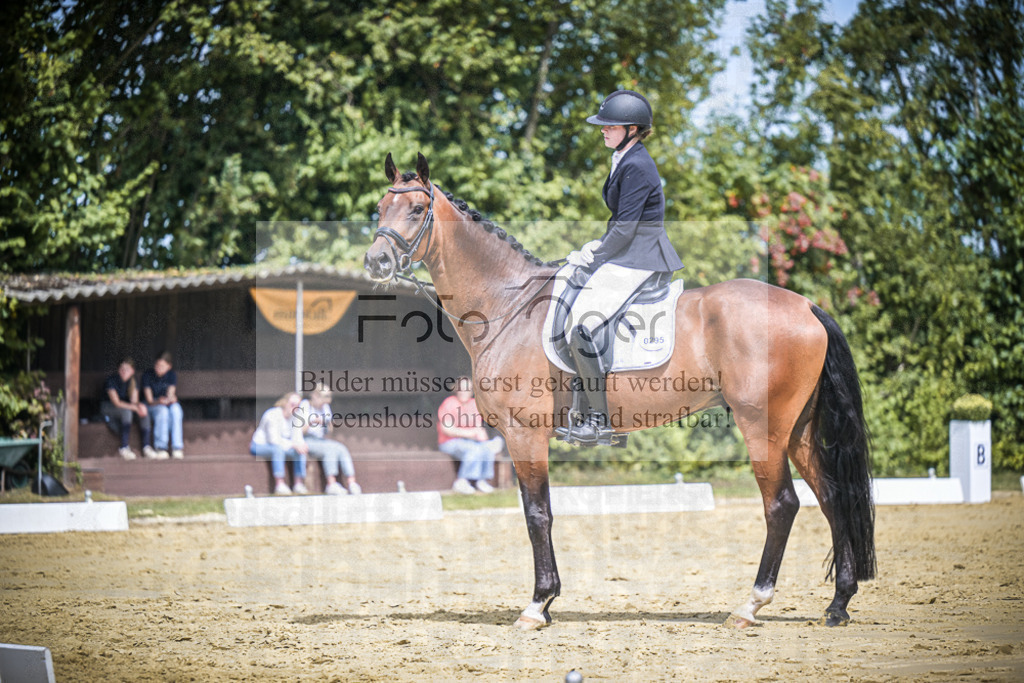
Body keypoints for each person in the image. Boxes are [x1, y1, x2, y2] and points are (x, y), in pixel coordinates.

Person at [563, 89, 685, 443]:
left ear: (632, 129)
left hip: (641, 256)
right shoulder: (624, 157)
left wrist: (595, 255)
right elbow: (620, 220)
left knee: (582, 325)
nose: (602, 130)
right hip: (631, 251)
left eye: (610, 125)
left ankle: (599, 419)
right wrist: (595, 248)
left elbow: (626, 227)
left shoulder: (637, 165)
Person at [436, 376, 503, 494]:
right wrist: (470, 434)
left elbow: (478, 428)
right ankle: (461, 481)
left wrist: (482, 437)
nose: (463, 392)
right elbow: (447, 429)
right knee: (474, 449)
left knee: (486, 449)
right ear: (456, 389)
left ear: (472, 391)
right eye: (461, 389)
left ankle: (481, 480)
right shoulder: (450, 403)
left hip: (471, 441)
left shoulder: (474, 404)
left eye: (467, 389)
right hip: (449, 442)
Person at [298, 387, 361, 495]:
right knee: (329, 449)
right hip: (306, 440)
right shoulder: (305, 405)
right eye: (322, 401)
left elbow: (329, 430)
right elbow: (299, 431)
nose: (323, 404)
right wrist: (312, 421)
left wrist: (327, 423)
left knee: (341, 448)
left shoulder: (325, 407)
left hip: (321, 440)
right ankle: (331, 483)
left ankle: (352, 482)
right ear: (315, 396)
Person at [250, 392, 309, 495]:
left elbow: (297, 437)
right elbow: (274, 440)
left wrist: (301, 445)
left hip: (282, 446)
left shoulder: (296, 417)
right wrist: (294, 445)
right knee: (278, 449)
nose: (295, 408)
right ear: (285, 403)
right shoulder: (272, 415)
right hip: (260, 445)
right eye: (292, 404)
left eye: (298, 406)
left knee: (300, 450)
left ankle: (298, 484)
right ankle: (280, 484)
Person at [101, 358, 157, 460]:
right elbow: (116, 403)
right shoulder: (111, 380)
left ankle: (146, 447)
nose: (124, 371)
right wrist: (134, 407)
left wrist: (139, 406)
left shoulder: (133, 381)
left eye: (127, 369)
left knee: (143, 411)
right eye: (122, 368)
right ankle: (124, 447)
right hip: (108, 407)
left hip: (125, 407)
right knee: (127, 412)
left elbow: (134, 402)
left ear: (132, 371)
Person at [142, 351, 184, 459]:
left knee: (176, 409)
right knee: (163, 411)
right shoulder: (148, 375)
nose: (158, 368)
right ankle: (161, 447)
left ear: (169, 366)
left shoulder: (171, 375)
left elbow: (170, 393)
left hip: (164, 403)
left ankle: (177, 447)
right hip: (153, 405)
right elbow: (149, 400)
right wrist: (159, 402)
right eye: (157, 365)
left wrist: (171, 399)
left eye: (162, 366)